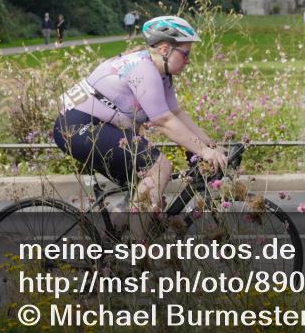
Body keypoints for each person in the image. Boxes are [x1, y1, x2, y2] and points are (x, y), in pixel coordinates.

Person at [52, 15, 228, 212]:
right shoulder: (144, 69)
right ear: (164, 49)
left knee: (146, 193)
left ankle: (122, 228)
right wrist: (204, 152)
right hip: (76, 127)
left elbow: (175, 113)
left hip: (97, 126)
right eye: (185, 54)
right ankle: (140, 240)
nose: (188, 61)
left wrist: (210, 145)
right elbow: (163, 120)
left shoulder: (162, 74)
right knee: (159, 167)